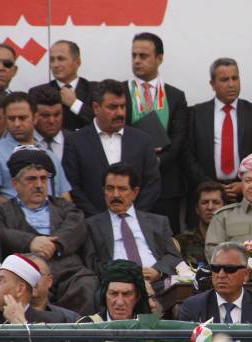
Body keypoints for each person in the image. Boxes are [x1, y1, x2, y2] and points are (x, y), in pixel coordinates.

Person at [0, 147, 96, 314]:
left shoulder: (65, 207)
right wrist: (30, 242)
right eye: (31, 179)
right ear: (15, 184)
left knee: (87, 284)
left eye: (43, 179)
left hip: (68, 271)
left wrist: (55, 244)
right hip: (24, 273)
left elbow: (77, 226)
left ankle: (78, 338)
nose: (39, 185)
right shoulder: (1, 211)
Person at [62, 79, 161, 217]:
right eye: (113, 107)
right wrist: (99, 220)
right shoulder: (76, 141)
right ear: (96, 108)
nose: (120, 113)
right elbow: (73, 186)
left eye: (123, 106)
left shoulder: (142, 140)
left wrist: (133, 216)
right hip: (92, 226)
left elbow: (152, 184)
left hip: (135, 224)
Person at [125, 32, 189, 234]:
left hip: (166, 183)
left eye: (143, 56)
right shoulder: (121, 93)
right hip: (129, 182)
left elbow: (179, 139)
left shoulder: (175, 96)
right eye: (134, 55)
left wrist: (158, 161)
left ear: (159, 58)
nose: (137, 61)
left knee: (167, 242)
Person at [83, 162, 181, 292]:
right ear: (103, 191)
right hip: (118, 286)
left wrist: (158, 271)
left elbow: (174, 256)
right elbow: (91, 263)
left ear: (135, 192)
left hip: (157, 284)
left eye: (122, 189)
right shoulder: (91, 225)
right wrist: (125, 275)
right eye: (110, 188)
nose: (115, 195)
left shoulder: (158, 221)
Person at [186, 58, 252, 200]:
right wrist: (209, 185)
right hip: (206, 194)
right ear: (212, 84)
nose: (231, 84)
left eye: (235, 78)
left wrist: (245, 183)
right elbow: (188, 155)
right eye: (224, 80)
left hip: (245, 193)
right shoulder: (196, 114)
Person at [0, 92, 72, 206]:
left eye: (22, 118)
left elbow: (65, 198)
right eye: (11, 118)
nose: (17, 124)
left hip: (53, 220)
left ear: (35, 118)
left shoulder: (49, 155)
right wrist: (27, 212)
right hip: (12, 221)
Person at [29, 40, 95, 131]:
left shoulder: (94, 89)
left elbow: (103, 122)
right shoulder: (38, 92)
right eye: (52, 60)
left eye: (61, 59)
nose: (55, 65)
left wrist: (74, 104)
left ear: (77, 62)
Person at [175, 181, 227, 267]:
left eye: (216, 202)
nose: (210, 207)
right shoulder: (182, 241)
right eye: (205, 202)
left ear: (225, 208)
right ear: (197, 209)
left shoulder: (232, 239)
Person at [28, 254, 80, 322]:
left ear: (49, 281)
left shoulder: (70, 319)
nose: (31, 279)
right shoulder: (10, 319)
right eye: (25, 275)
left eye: (37, 274)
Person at [29, 85, 68, 160]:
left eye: (57, 115)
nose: (52, 121)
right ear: (33, 115)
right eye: (45, 115)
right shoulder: (21, 143)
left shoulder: (77, 142)